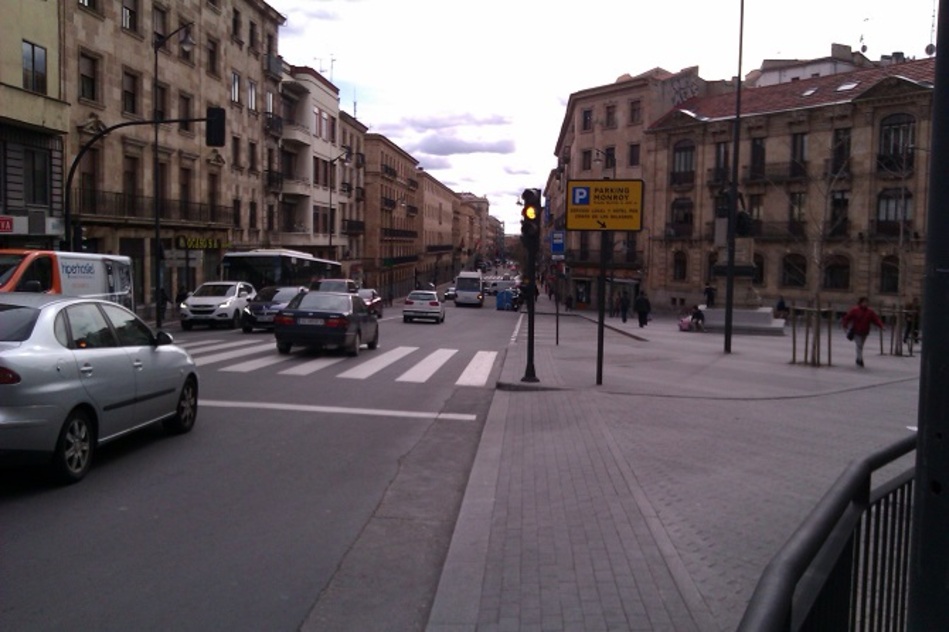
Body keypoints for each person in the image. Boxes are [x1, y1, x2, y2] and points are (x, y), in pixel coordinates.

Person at [841, 296, 885, 367]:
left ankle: (858, 358)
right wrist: (845, 325)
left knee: (861, 345)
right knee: (859, 345)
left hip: (865, 332)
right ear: (860, 303)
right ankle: (859, 359)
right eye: (864, 302)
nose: (865, 304)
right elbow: (847, 317)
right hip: (856, 331)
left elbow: (876, 320)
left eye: (866, 302)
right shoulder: (855, 310)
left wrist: (881, 326)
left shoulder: (870, 312)